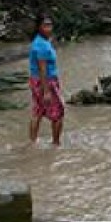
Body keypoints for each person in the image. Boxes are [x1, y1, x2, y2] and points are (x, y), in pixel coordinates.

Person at [29, 16, 64, 146]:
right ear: (39, 27)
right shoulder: (41, 45)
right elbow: (42, 69)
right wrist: (47, 91)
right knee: (58, 113)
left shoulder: (41, 41)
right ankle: (56, 144)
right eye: (45, 25)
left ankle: (32, 143)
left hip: (36, 81)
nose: (49, 28)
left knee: (37, 111)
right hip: (46, 81)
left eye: (50, 25)